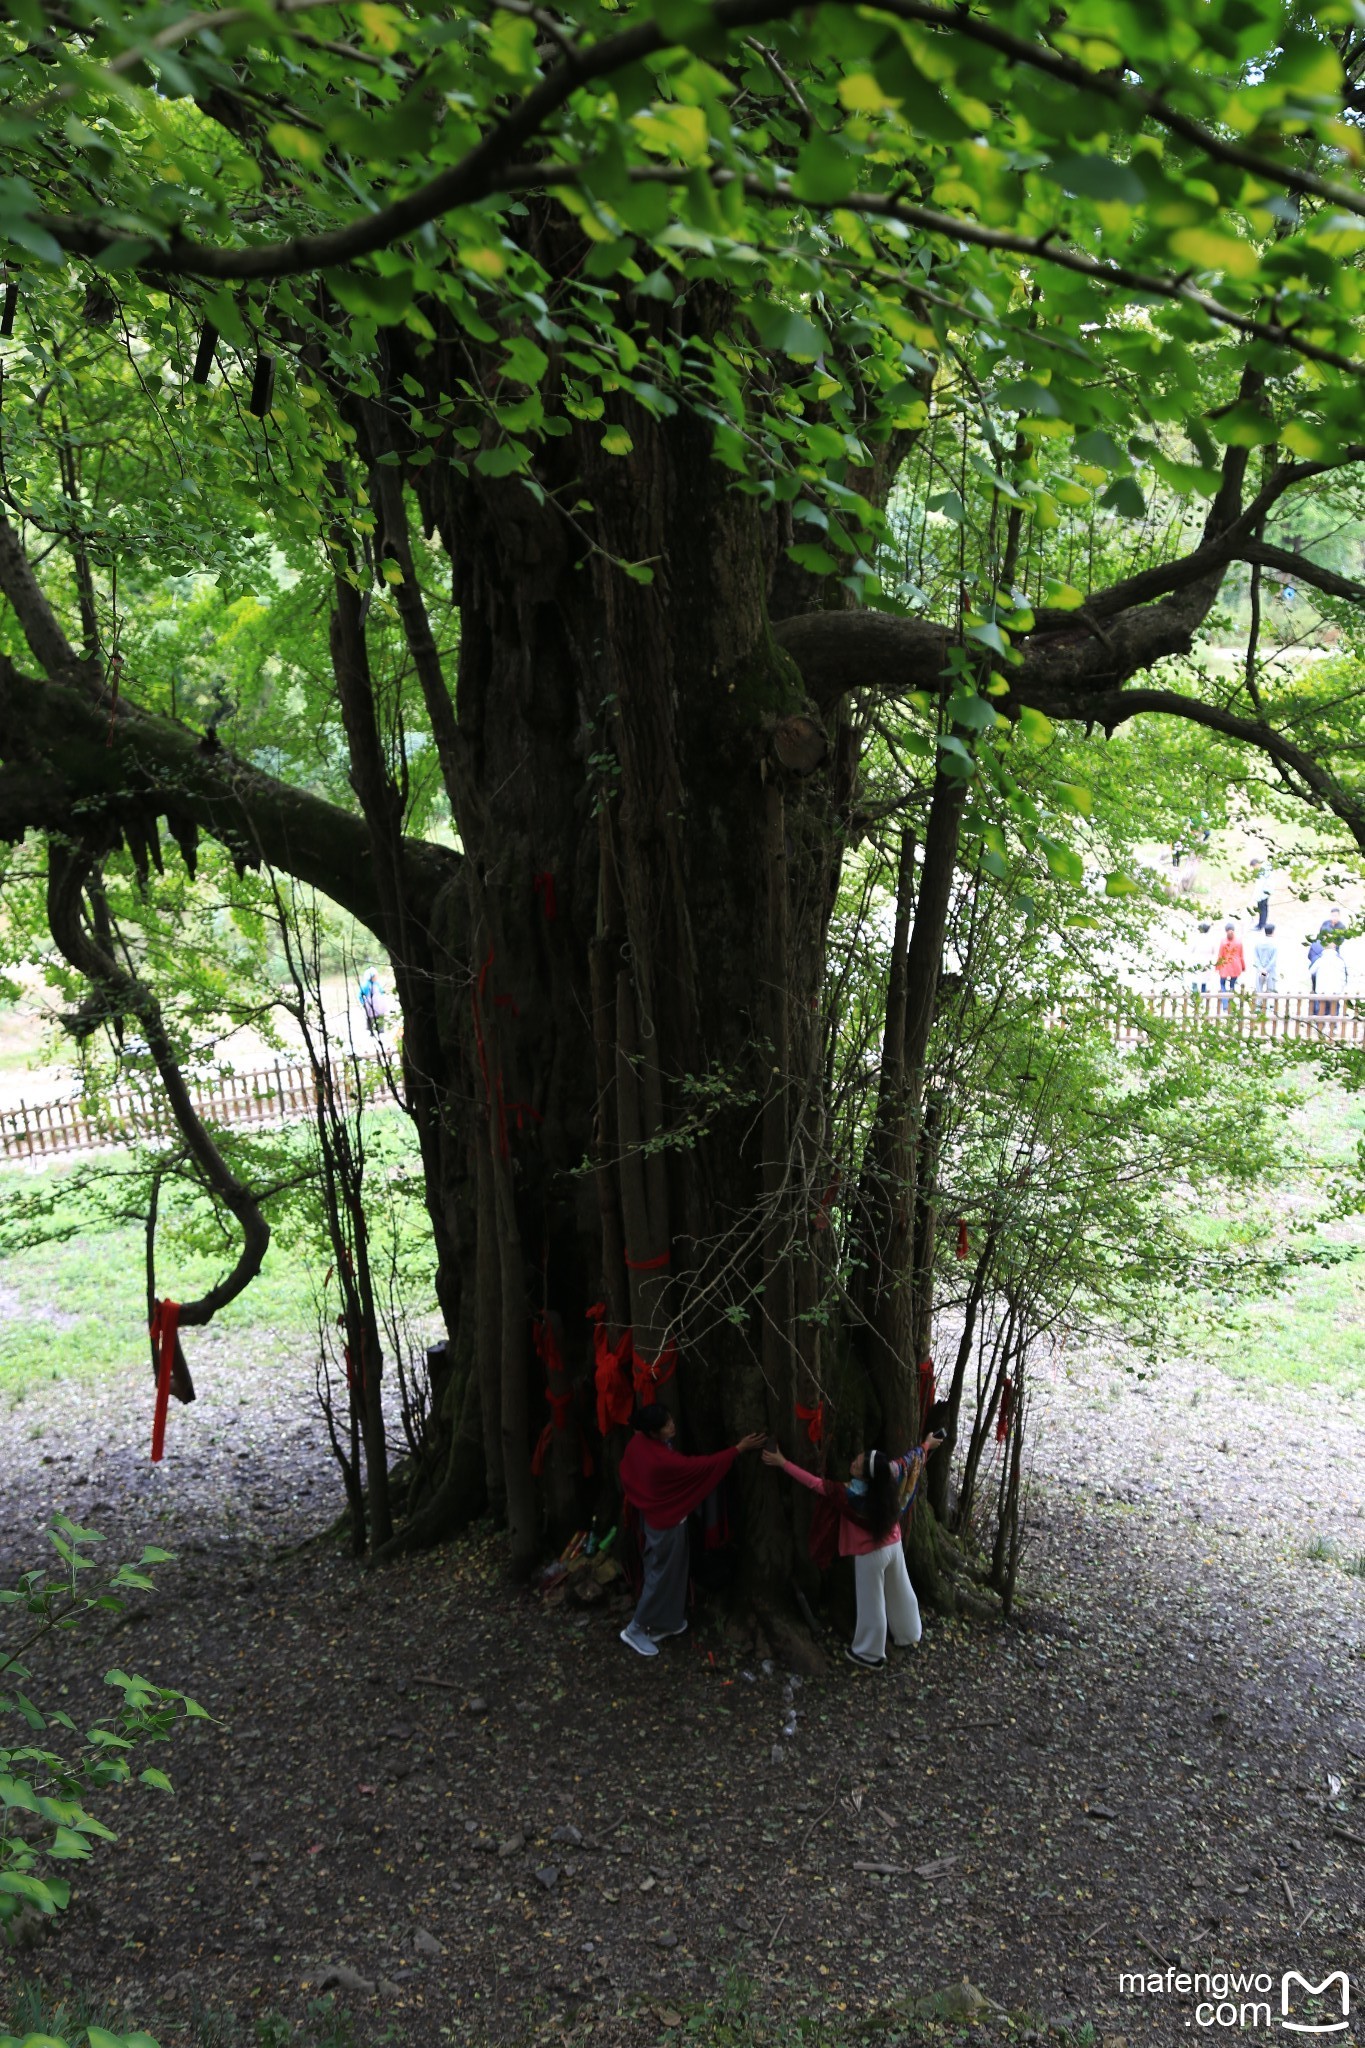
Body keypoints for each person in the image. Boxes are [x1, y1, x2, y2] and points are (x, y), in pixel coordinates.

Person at [762, 1418, 947, 1669]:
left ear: (864, 1474)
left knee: (872, 1606)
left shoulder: (849, 1494)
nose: (854, 1461)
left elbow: (814, 1483)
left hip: (870, 1554)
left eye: (858, 1463)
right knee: (900, 1590)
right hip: (893, 1544)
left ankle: (869, 1653)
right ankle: (909, 1632)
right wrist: (926, 1444)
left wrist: (783, 1463)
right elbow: (912, 1459)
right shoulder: (889, 1474)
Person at [618, 1405, 765, 1658]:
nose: (672, 1425)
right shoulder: (664, 1461)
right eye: (666, 1424)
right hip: (665, 1525)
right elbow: (701, 1467)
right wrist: (737, 1450)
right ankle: (635, 1628)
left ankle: (669, 1621)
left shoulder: (638, 1442)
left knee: (674, 1572)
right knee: (659, 1575)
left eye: (671, 1419)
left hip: (657, 1518)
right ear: (653, 1432)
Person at [1215, 924, 1244, 1009]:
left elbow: (1220, 955)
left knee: (1222, 984)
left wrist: (1217, 966)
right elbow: (1241, 956)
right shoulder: (1239, 942)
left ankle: (1225, 1004)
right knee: (1232, 984)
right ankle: (1231, 1002)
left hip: (1225, 965)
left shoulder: (1223, 942)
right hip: (1236, 965)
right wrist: (1243, 966)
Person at [1252, 924, 1279, 998]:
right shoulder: (1274, 944)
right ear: (1273, 932)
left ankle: (1258, 1006)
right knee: (1270, 990)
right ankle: (1269, 1007)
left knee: (1259, 990)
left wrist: (1261, 969)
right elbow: (1273, 960)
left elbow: (1256, 958)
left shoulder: (1258, 943)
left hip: (1260, 971)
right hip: (1270, 971)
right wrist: (1266, 969)